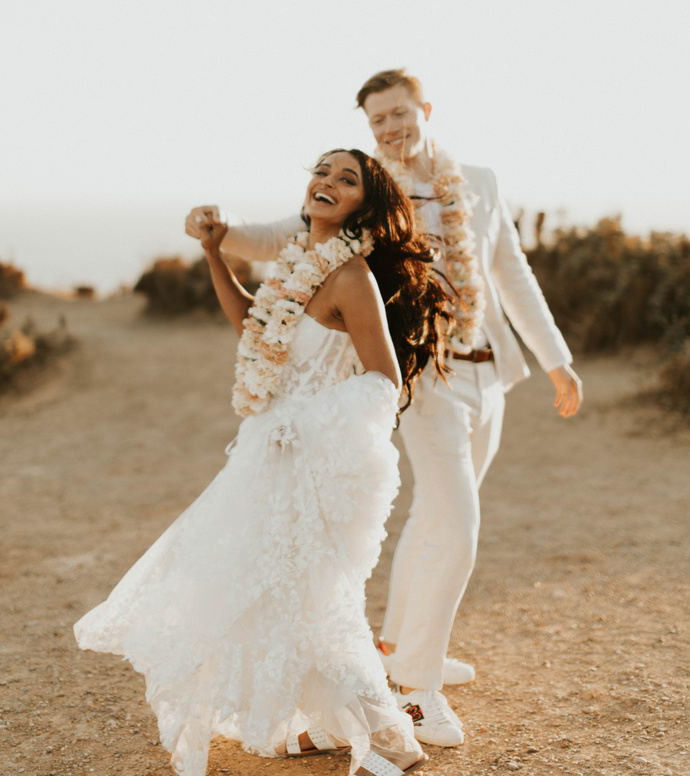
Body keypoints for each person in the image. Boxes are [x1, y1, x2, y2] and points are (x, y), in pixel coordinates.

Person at [184, 68, 583, 749]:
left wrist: (556, 359)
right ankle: (417, 692)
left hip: (487, 369)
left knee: (435, 520)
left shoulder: (478, 182)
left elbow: (510, 272)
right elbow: (282, 235)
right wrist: (218, 231)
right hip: (423, 378)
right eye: (378, 120)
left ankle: (401, 646)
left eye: (399, 113)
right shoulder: (366, 192)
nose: (391, 127)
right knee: (456, 523)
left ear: (424, 109)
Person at [75, 149, 454, 776]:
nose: (327, 183)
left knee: (315, 596)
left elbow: (383, 381)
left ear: (364, 205)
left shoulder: (351, 275)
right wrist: (213, 255)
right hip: (267, 452)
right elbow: (254, 326)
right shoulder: (297, 262)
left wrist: (304, 424)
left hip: (315, 459)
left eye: (347, 179)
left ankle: (391, 740)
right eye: (322, 172)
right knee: (267, 590)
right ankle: (325, 722)